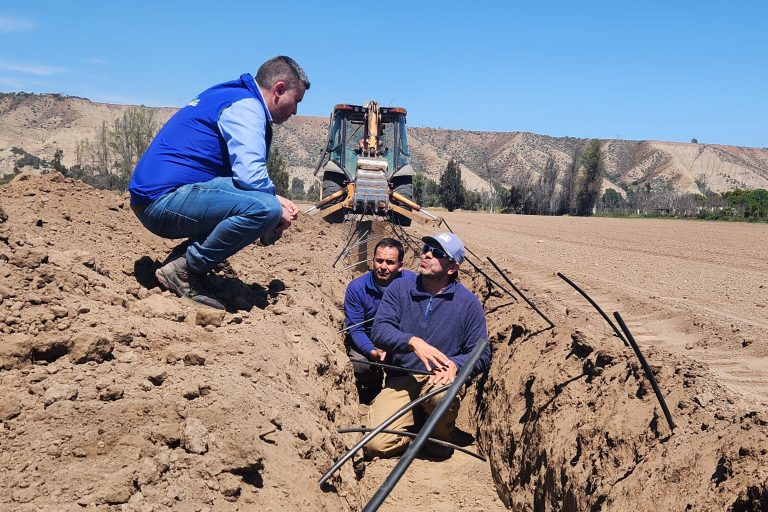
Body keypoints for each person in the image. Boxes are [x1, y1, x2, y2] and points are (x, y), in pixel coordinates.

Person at [128, 56, 310, 310]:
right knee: (266, 208)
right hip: (162, 201)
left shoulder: (229, 94)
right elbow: (250, 175)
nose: (295, 111)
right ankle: (184, 269)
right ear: (279, 89)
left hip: (156, 198)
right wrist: (275, 205)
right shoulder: (247, 107)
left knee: (265, 204)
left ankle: (181, 261)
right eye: (296, 101)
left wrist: (273, 200)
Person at [364, 232, 491, 459]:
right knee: (375, 446)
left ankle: (437, 439)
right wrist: (412, 341)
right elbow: (380, 330)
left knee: (440, 405)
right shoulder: (399, 289)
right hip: (402, 378)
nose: (427, 255)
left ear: (452, 268)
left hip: (438, 379)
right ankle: (416, 430)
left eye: (438, 253)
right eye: (426, 249)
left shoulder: (468, 304)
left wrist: (455, 364)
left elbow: (481, 353)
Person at [343, 238, 416, 403]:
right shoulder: (357, 288)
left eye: (390, 262)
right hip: (370, 339)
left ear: (400, 266)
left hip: (401, 339)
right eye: (379, 260)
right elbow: (356, 328)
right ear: (372, 261)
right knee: (361, 366)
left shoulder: (413, 283)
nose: (383, 267)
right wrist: (372, 351)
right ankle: (372, 388)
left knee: (408, 370)